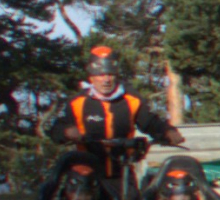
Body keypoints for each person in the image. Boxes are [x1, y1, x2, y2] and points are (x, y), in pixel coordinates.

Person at [45, 45, 184, 189]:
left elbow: (150, 122)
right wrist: (67, 132)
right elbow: (55, 129)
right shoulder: (77, 103)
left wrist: (168, 131)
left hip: (123, 174)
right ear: (91, 77)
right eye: (100, 75)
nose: (106, 80)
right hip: (88, 179)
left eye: (110, 74)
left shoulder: (131, 100)